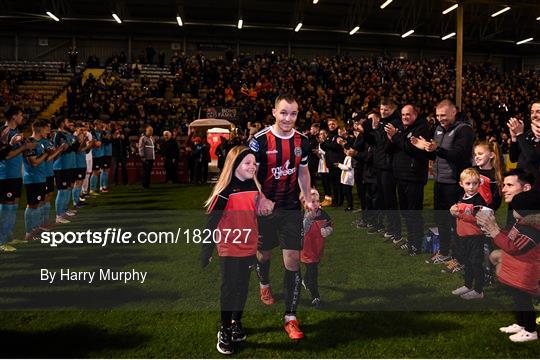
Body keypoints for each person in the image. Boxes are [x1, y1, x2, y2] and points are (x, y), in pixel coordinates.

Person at [249, 93, 313, 340]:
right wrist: (261, 197)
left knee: (293, 261)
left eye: (293, 113)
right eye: (284, 112)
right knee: (263, 254)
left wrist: (306, 197)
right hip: (265, 208)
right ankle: (264, 283)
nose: (288, 118)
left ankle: (291, 317)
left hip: (289, 209)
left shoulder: (302, 141)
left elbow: (303, 172)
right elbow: (250, 171)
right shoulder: (260, 141)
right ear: (274, 112)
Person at [201, 146, 261, 355]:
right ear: (235, 165)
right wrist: (206, 250)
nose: (252, 167)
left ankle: (236, 322)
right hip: (229, 246)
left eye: (254, 163)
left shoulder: (254, 186)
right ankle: (224, 329)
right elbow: (211, 223)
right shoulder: (224, 192)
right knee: (229, 288)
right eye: (247, 163)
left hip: (249, 245)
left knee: (243, 286)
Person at [412, 99, 475, 270]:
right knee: (441, 220)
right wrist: (424, 149)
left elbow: (459, 154)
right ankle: (445, 251)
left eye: (444, 115)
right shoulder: (439, 129)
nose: (440, 118)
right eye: (438, 115)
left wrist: (436, 149)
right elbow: (437, 156)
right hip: (440, 182)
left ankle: (459, 257)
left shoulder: (464, 130)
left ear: (454, 112)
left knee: (458, 223)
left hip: (455, 184)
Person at [476, 190, 539, 343]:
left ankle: (530, 330)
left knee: (524, 301)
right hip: (515, 270)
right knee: (517, 298)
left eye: (514, 208)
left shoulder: (532, 231)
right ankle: (521, 324)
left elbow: (513, 247)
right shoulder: (521, 224)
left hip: (525, 272)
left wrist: (494, 231)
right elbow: (507, 238)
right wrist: (494, 230)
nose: (512, 211)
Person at [384, 104, 431, 255]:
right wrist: (391, 139)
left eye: (408, 114)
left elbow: (412, 149)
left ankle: (416, 244)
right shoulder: (402, 129)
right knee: (406, 213)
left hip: (414, 177)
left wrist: (396, 137)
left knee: (414, 213)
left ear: (416, 115)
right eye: (403, 114)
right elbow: (389, 150)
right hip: (400, 176)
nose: (405, 117)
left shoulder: (422, 129)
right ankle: (411, 242)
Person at [0, 106, 36, 251]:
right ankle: (1, 241)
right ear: (14, 116)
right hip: (5, 174)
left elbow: (19, 151)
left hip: (15, 174)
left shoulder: (15, 132)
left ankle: (8, 237)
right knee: (7, 207)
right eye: (20, 114)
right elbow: (5, 155)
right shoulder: (5, 131)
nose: (22, 117)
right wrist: (23, 147)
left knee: (13, 206)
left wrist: (27, 147)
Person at [449, 168, 488, 298]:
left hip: (475, 237)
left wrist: (460, 215)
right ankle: (467, 285)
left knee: (475, 263)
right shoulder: (462, 197)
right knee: (467, 262)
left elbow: (478, 219)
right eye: (468, 183)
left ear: (479, 184)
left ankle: (478, 291)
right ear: (461, 184)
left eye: (475, 183)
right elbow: (459, 212)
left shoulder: (478, 200)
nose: (471, 187)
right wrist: (453, 211)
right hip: (463, 236)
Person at [300, 188, 333, 308]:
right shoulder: (301, 216)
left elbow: (329, 223)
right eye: (312, 202)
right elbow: (302, 230)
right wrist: (308, 219)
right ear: (304, 203)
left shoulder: (322, 213)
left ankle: (305, 280)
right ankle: (315, 296)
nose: (316, 204)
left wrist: (328, 229)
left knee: (312, 269)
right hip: (306, 249)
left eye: (317, 201)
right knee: (313, 271)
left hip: (318, 247)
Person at [22, 120, 50, 241]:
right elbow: (34, 163)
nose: (48, 131)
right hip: (33, 179)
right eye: (46, 128)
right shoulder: (30, 142)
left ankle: (35, 230)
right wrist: (46, 154)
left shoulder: (40, 143)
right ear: (40, 129)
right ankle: (29, 233)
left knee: (38, 204)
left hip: (41, 177)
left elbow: (45, 159)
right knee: (32, 205)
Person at [508, 102, 540, 186]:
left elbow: (533, 158)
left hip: (535, 184)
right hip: (521, 181)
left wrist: (519, 134)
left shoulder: (522, 135)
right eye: (532, 112)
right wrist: (514, 138)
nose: (534, 115)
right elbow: (513, 158)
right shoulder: (527, 133)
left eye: (538, 112)